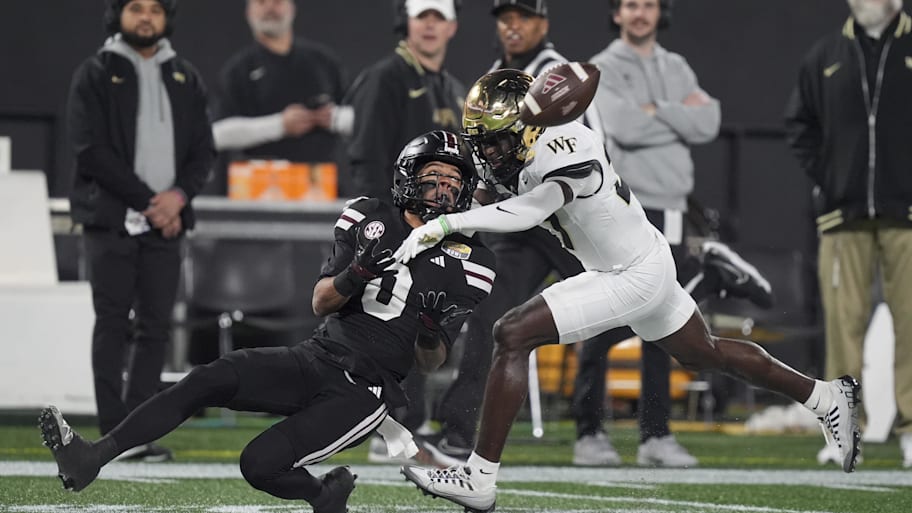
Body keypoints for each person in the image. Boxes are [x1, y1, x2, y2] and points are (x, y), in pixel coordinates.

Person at [398, 69, 862, 513]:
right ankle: (826, 397)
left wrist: (448, 225)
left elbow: (533, 209)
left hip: (630, 273)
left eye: (496, 140)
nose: (488, 152)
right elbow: (486, 193)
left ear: (529, 128)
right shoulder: (513, 151)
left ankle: (478, 479)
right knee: (705, 353)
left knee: (512, 333)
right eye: (481, 141)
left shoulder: (569, 144)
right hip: (639, 260)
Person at [39, 130, 496, 513]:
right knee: (208, 378)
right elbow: (321, 302)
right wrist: (357, 273)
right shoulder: (368, 216)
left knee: (258, 463)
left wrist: (430, 329)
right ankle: (91, 457)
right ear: (408, 177)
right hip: (316, 356)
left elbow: (430, 362)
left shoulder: (472, 260)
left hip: (365, 391)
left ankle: (322, 496)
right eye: (433, 177)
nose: (443, 189)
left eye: (453, 181)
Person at [415, 0, 616, 468]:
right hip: (518, 222)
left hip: (569, 218)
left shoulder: (559, 74)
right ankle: (459, 434)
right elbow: (482, 158)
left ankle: (590, 428)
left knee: (614, 314)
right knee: (489, 317)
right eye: (506, 18)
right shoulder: (492, 79)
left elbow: (589, 148)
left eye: (523, 17)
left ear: (542, 22)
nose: (513, 26)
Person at [570, 0, 770, 468]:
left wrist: (654, 110)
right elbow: (623, 127)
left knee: (663, 316)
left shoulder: (676, 65)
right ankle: (588, 431)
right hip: (626, 208)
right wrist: (678, 115)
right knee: (605, 317)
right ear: (617, 14)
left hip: (675, 208)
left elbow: (710, 121)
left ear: (661, 13)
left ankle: (655, 436)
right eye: (631, 5)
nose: (640, 13)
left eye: (649, 5)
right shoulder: (601, 67)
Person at [66, 0, 214, 462]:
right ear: (118, 14)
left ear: (167, 17)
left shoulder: (185, 76)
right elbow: (90, 151)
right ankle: (111, 433)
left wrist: (177, 198)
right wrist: (153, 203)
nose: (146, 17)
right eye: (135, 7)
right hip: (112, 220)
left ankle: (135, 434)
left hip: (167, 225)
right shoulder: (95, 73)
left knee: (155, 329)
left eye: (154, 9)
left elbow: (203, 151)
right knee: (112, 323)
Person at [785, 0, 912, 469]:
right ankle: (844, 431)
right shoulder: (825, 54)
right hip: (842, 214)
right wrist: (830, 179)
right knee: (843, 324)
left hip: (908, 213)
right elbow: (799, 123)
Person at [212, 0, 352, 177]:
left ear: (291, 8)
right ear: (249, 12)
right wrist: (280, 125)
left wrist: (334, 117)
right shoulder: (238, 71)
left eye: (277, 2)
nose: (270, 8)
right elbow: (218, 134)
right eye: (261, 2)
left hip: (321, 183)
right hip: (261, 186)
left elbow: (361, 121)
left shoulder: (323, 62)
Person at [346, 0, 465, 204]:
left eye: (439, 17)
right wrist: (383, 215)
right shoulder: (384, 79)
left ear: (452, 27)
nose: (430, 25)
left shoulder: (455, 89)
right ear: (406, 21)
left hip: (443, 217)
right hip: (398, 215)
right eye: (422, 16)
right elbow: (368, 162)